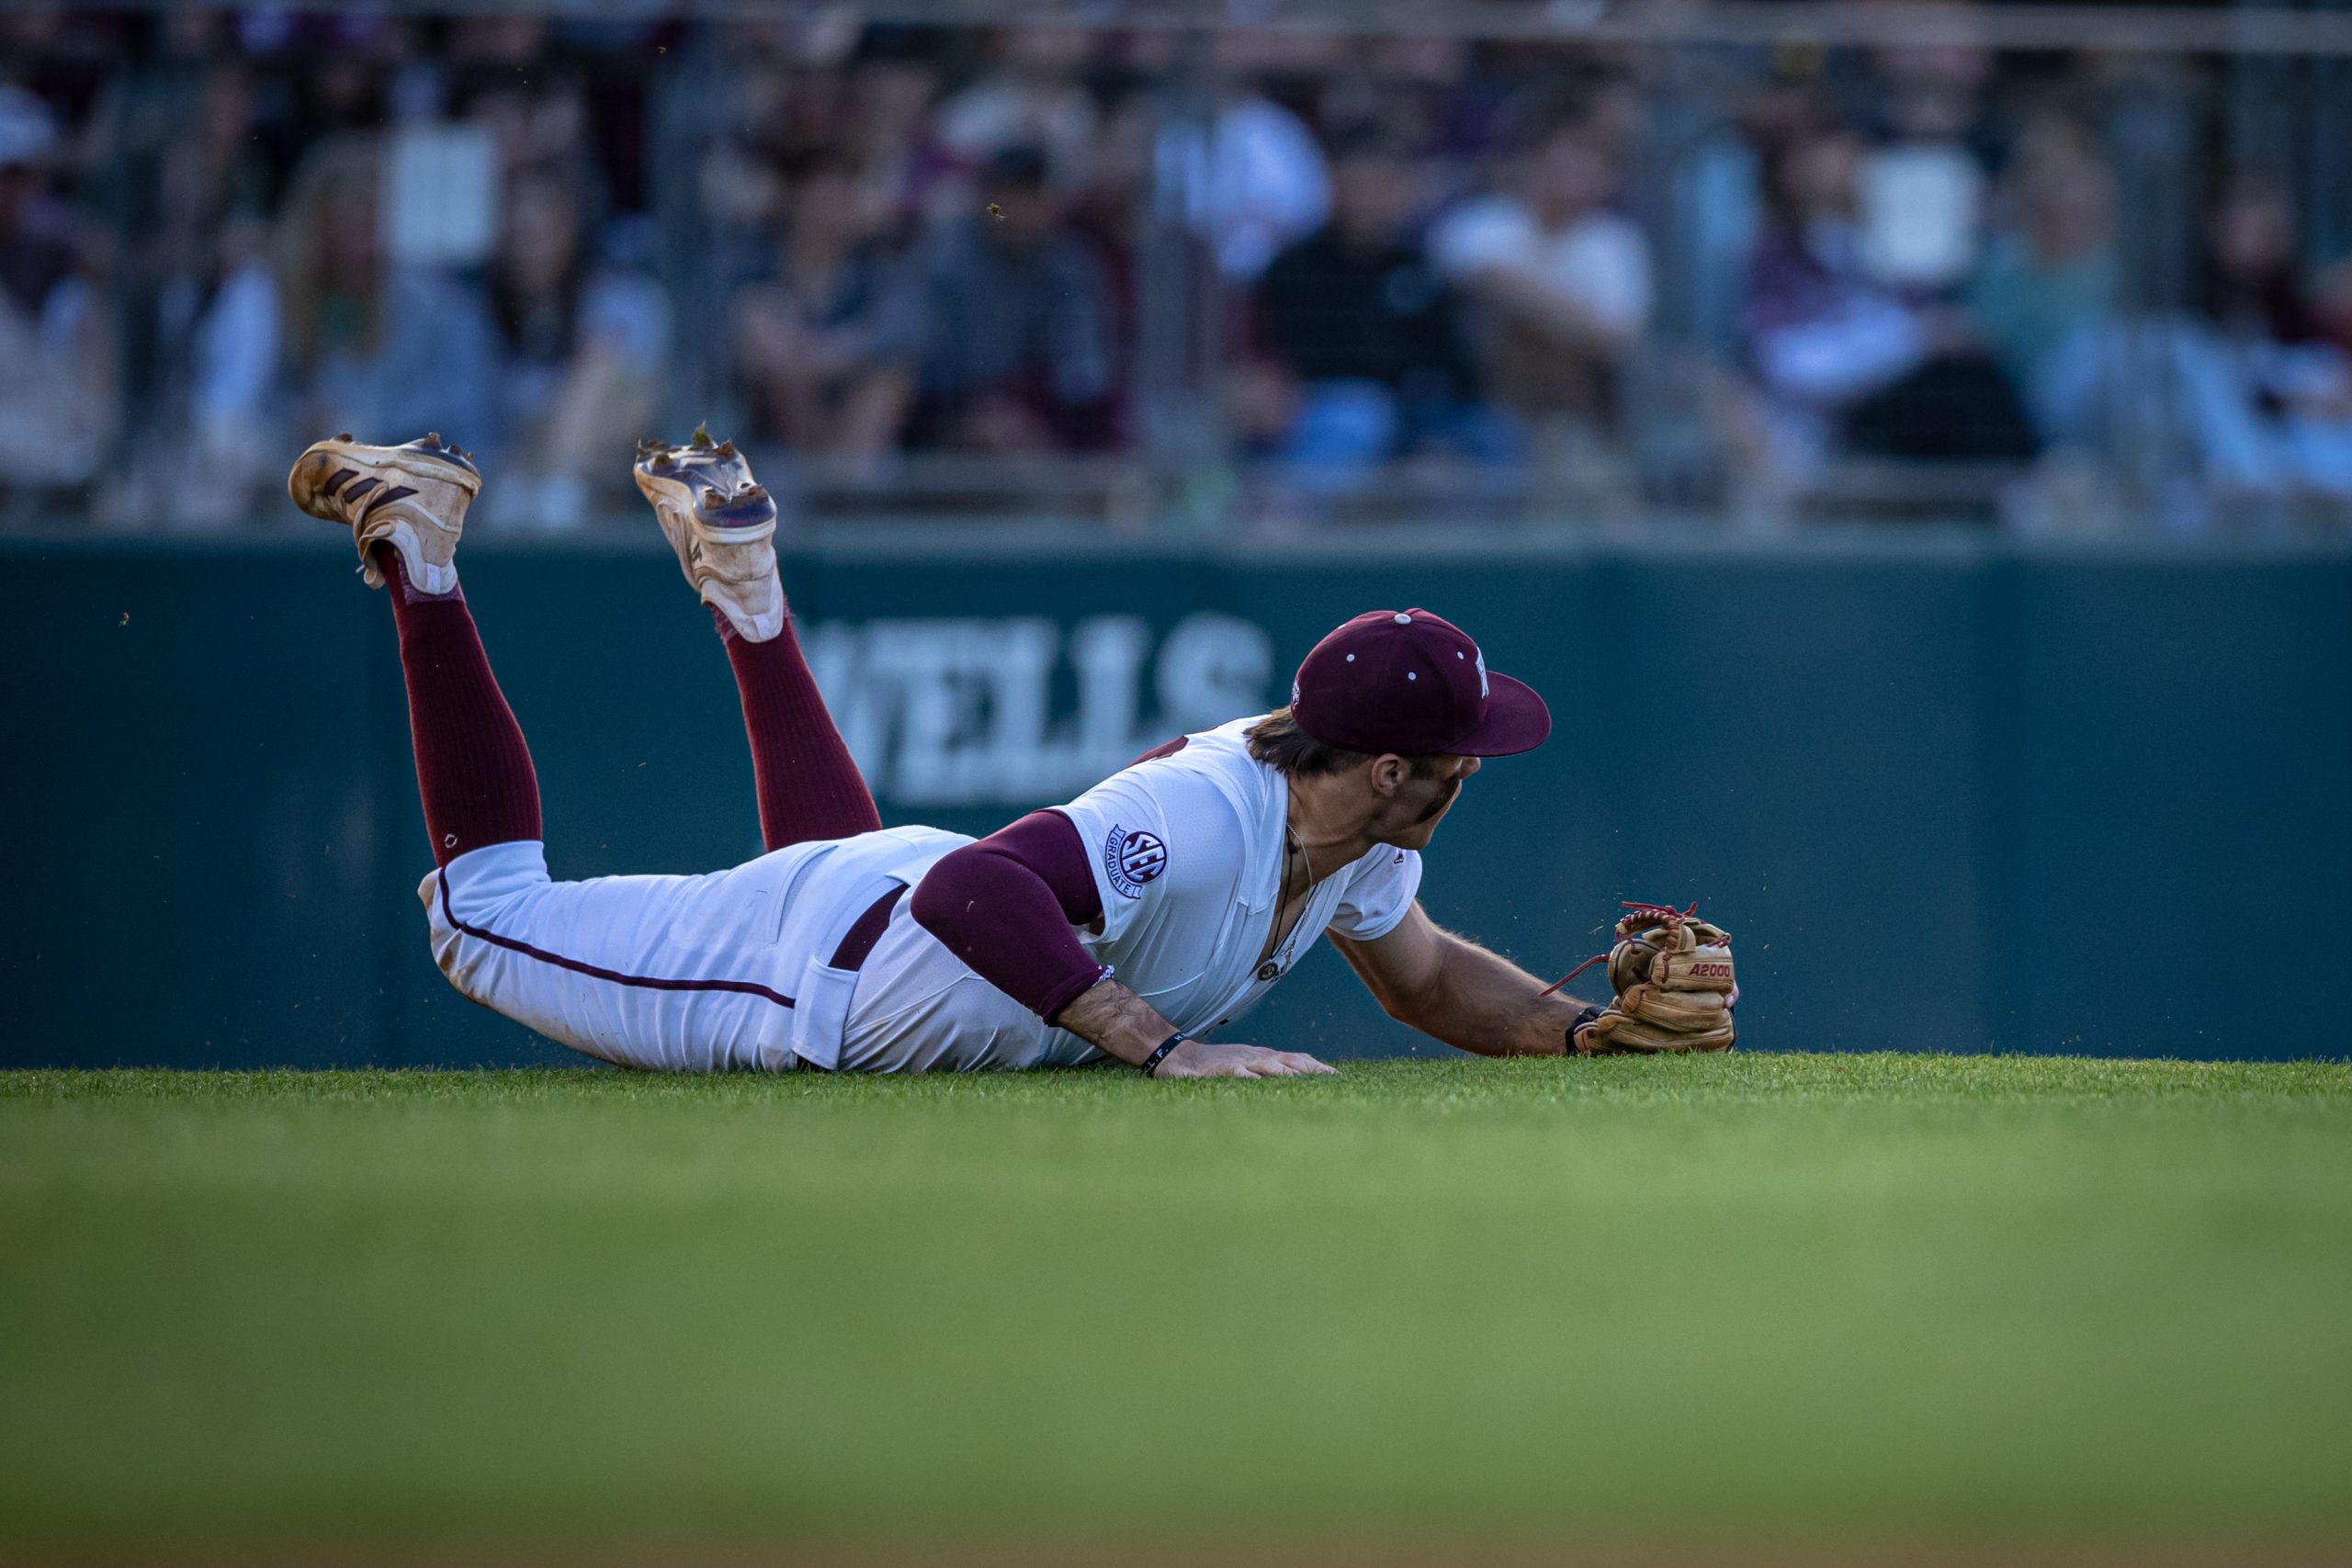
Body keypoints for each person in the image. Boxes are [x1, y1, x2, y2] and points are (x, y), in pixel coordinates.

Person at [283, 427, 1600, 1077]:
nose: (1476, 767)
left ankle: (751, 599)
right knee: (481, 916)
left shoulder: (1358, 840)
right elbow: (969, 893)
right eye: (1459, 751)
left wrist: (1586, 1038)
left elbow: (1428, 987)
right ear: (1381, 769)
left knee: (836, 854)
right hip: (815, 979)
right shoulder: (1204, 812)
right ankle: (421, 552)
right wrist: (1161, 1048)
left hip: (888, 907)